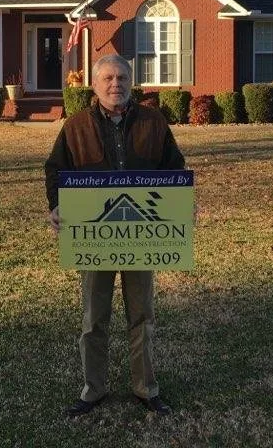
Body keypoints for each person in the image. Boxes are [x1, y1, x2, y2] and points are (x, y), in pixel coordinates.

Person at [44, 54, 185, 417]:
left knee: (142, 316)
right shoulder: (75, 126)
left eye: (121, 77)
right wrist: (57, 205)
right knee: (94, 319)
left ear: (131, 82)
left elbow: (174, 167)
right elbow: (56, 170)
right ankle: (94, 389)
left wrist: (181, 204)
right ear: (95, 84)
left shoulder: (154, 122)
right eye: (107, 78)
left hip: (142, 236)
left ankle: (146, 388)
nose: (115, 84)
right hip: (93, 238)